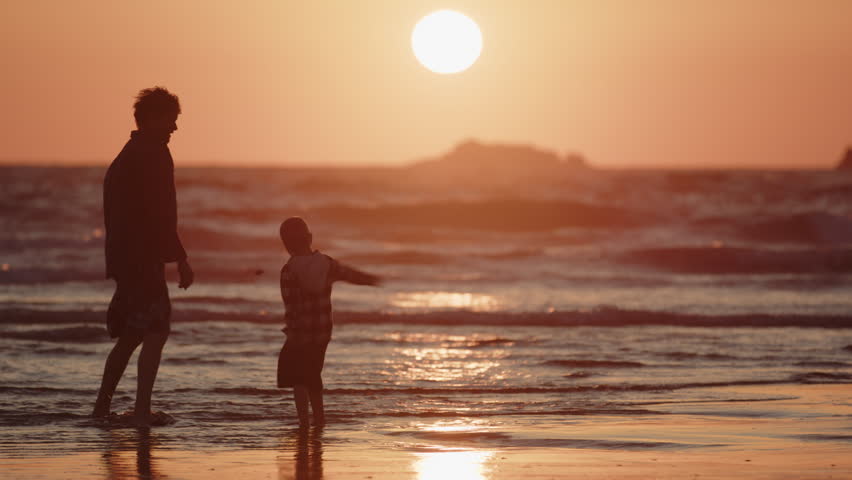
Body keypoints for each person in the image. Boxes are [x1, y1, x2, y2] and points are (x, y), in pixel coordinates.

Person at [92, 87, 194, 425]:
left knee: (134, 334)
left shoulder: (129, 154)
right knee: (156, 330)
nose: (175, 128)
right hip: (141, 260)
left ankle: (102, 408)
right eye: (171, 120)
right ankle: (139, 411)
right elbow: (159, 213)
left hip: (127, 259)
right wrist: (179, 257)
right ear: (152, 118)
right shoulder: (152, 154)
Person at [277, 217, 380, 427]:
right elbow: (349, 274)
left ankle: (304, 421)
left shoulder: (288, 270)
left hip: (300, 333)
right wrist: (371, 279)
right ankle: (320, 418)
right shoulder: (326, 263)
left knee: (299, 378)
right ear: (310, 238)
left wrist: (291, 329)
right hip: (323, 332)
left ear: (286, 245)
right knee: (314, 373)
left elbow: (291, 304)